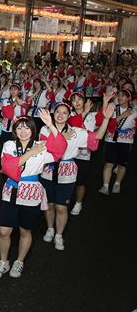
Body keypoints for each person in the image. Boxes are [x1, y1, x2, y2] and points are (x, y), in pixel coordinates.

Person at [0, 112, 66, 279]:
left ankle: (19, 261)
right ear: (15, 130)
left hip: (31, 193)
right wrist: (31, 153)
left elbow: (60, 148)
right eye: (19, 128)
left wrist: (51, 125)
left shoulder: (42, 145)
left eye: (27, 128)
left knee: (25, 230)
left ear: (33, 130)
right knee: (4, 231)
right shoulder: (9, 145)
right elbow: (9, 166)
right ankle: (3, 262)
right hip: (11, 191)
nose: (23, 131)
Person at [40, 102, 112, 250]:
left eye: (64, 112)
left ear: (69, 115)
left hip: (67, 172)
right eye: (58, 112)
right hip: (48, 171)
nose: (60, 115)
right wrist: (61, 137)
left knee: (62, 206)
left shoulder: (76, 131)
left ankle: (59, 235)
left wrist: (105, 119)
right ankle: (50, 228)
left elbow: (97, 136)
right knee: (50, 205)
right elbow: (43, 148)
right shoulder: (45, 129)